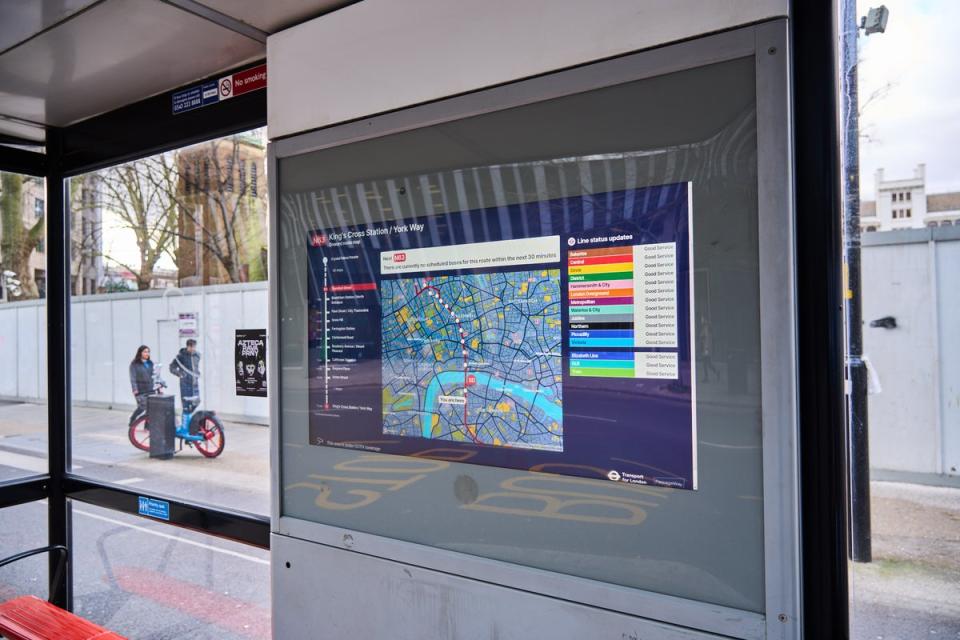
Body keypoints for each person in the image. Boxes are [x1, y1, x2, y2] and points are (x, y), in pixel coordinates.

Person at [169, 339, 201, 413]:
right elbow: (172, 367)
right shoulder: (181, 356)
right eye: (191, 347)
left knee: (197, 401)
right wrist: (180, 374)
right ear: (188, 346)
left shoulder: (197, 356)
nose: (193, 349)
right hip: (185, 385)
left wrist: (198, 373)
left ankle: (190, 417)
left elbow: (195, 367)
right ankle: (186, 422)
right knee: (186, 406)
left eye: (194, 347)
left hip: (195, 384)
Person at [129, 345, 155, 423]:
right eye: (145, 352)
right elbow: (132, 377)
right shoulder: (134, 364)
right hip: (140, 389)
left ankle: (147, 425)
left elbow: (153, 375)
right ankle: (133, 418)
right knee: (142, 407)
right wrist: (134, 389)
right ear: (140, 353)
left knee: (151, 408)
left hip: (150, 388)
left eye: (148, 352)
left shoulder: (150, 363)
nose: (147, 354)